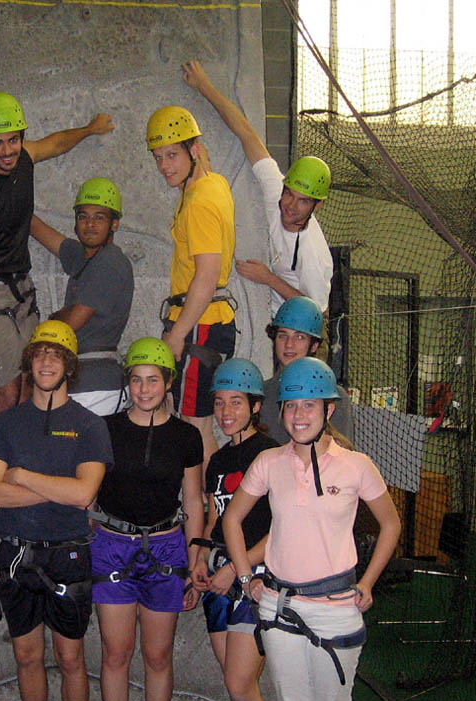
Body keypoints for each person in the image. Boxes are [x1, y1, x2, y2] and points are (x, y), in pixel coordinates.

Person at [222, 358, 401, 701]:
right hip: (280, 606)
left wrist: (369, 582)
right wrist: (247, 576)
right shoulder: (269, 462)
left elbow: (391, 523)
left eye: (308, 406)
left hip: (336, 608)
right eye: (290, 406)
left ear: (328, 410)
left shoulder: (356, 466)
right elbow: (232, 518)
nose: (297, 415)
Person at [0, 320, 113, 701]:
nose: (47, 362)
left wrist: (21, 476)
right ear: (29, 362)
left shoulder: (90, 425)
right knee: (26, 654)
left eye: (56, 356)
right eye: (40, 355)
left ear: (69, 367)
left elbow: (84, 495)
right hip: (17, 552)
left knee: (71, 656)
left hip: (69, 553)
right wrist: (59, 489)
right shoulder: (5, 424)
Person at [0, 91, 114, 417]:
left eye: (13, 140)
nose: (7, 151)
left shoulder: (23, 159)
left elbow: (57, 143)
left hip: (20, 286)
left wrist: (89, 129)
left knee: (29, 386)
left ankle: (10, 464)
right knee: (6, 392)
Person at [91, 338, 205, 701]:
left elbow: (193, 500)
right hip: (113, 546)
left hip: (166, 546)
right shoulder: (106, 428)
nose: (143, 389)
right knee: (116, 652)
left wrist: (195, 560)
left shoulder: (186, 436)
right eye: (136, 380)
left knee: (158, 655)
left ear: (168, 382)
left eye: (152, 380)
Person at [182, 60, 333, 319]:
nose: (290, 205)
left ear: (317, 206)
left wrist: (268, 278)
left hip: (303, 327)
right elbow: (246, 134)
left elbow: (316, 310)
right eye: (289, 194)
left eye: (303, 202)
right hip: (273, 318)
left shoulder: (314, 254)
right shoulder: (277, 194)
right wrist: (204, 86)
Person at [191, 359, 278, 701]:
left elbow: (283, 530)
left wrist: (235, 570)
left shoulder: (272, 455)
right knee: (236, 685)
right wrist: (201, 563)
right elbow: (213, 518)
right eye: (221, 403)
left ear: (256, 407)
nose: (226, 412)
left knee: (240, 684)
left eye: (237, 403)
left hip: (255, 577)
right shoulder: (221, 461)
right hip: (222, 576)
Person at [146, 104, 236, 470]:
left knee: (196, 427)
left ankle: (210, 515)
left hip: (199, 324)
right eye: (158, 158)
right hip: (207, 320)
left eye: (172, 154)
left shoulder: (200, 200)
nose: (165, 165)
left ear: (194, 149)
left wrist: (178, 334)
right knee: (189, 421)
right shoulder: (213, 184)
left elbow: (207, 275)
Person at [30, 177, 134, 416]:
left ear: (114, 224)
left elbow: (69, 324)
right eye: (83, 216)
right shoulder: (86, 257)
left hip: (93, 384)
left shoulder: (109, 263)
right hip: (87, 377)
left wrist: (54, 319)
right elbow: (39, 230)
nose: (90, 224)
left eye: (100, 217)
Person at [261, 296, 353, 445]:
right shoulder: (262, 395)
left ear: (314, 346)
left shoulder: (334, 397)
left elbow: (342, 456)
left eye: (299, 337)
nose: (289, 344)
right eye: (282, 335)